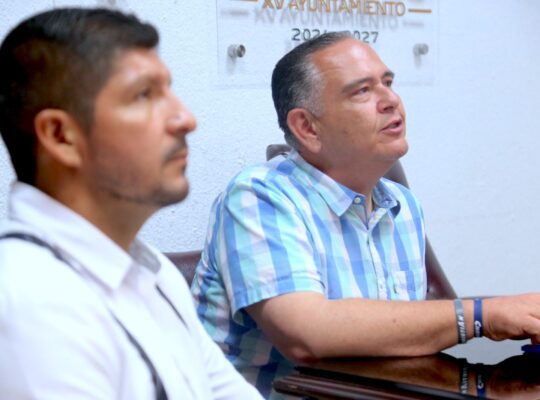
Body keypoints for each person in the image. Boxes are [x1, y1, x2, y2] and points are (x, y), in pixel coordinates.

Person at [191, 31, 540, 396]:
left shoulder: (403, 206)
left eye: (388, 83)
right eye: (362, 90)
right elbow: (306, 335)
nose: (391, 100)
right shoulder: (259, 196)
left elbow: (396, 343)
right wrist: (481, 316)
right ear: (307, 127)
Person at [0, 7, 263, 400]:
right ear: (60, 136)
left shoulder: (151, 269)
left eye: (169, 90)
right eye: (144, 95)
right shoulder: (29, 297)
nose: (186, 119)